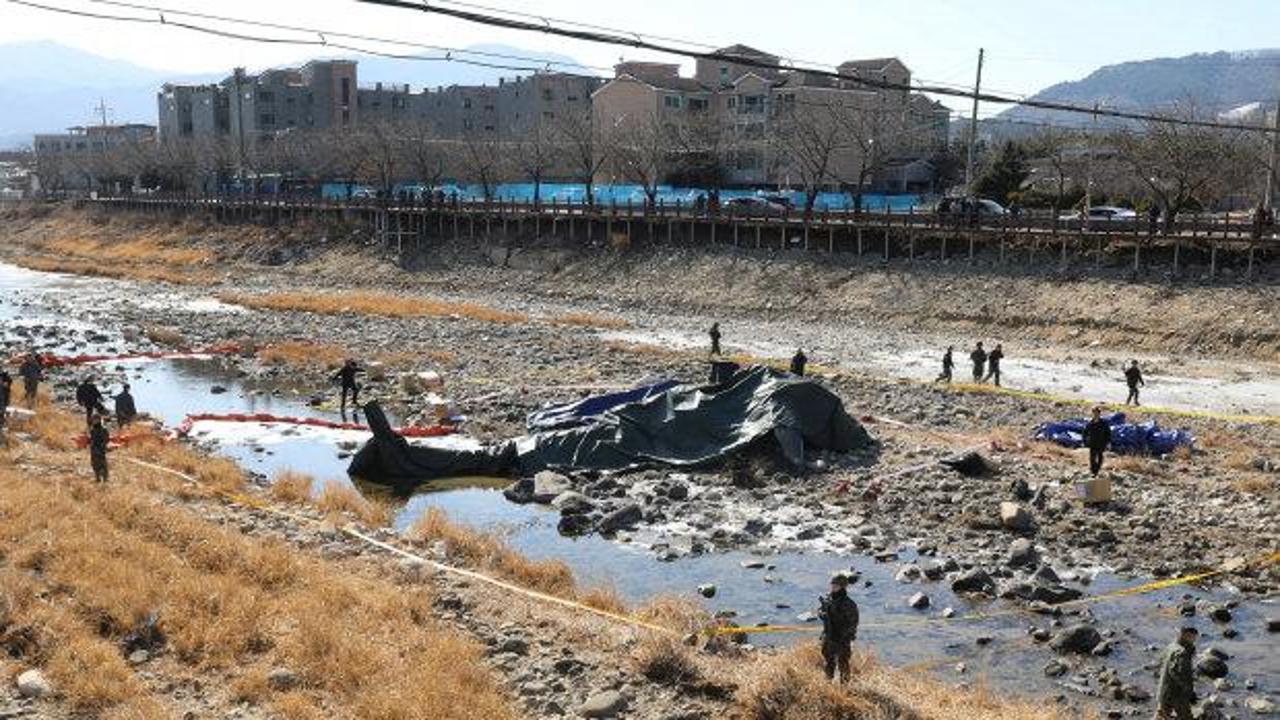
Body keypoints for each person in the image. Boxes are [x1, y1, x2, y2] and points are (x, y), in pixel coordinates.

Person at [818, 572, 859, 684]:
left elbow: (853, 623)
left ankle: (845, 687)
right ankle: (827, 683)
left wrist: (845, 637)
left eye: (836, 585)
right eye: (832, 585)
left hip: (842, 638)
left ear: (842, 587)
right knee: (828, 661)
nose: (833, 587)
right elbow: (820, 611)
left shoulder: (849, 604)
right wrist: (823, 614)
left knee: (843, 663)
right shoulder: (828, 599)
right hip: (828, 636)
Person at [1153, 626, 1198, 720]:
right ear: (1187, 636)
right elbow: (1177, 673)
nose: (1194, 640)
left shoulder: (1172, 646)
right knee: (1186, 716)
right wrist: (1189, 690)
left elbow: (1161, 662)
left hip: (1164, 688)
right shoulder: (1182, 653)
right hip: (1176, 693)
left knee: (1162, 714)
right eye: (1194, 637)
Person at [1083, 406, 1112, 477]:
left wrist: (1108, 442)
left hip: (1101, 443)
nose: (1095, 414)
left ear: (1099, 414)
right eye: (1094, 413)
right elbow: (1085, 433)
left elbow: (1108, 433)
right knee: (1092, 458)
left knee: (1100, 457)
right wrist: (1085, 441)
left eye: (1097, 413)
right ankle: (1093, 471)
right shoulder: (1090, 423)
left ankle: (1097, 470)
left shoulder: (1104, 423)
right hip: (1092, 443)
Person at [88, 414, 110, 483]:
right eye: (93, 419)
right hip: (93, 449)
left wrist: (102, 446)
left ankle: (105, 479)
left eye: (96, 419)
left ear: (99, 420)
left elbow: (106, 439)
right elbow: (91, 439)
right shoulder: (92, 429)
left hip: (100, 449)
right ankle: (97, 478)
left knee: (102, 464)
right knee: (94, 464)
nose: (94, 421)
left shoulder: (103, 429)